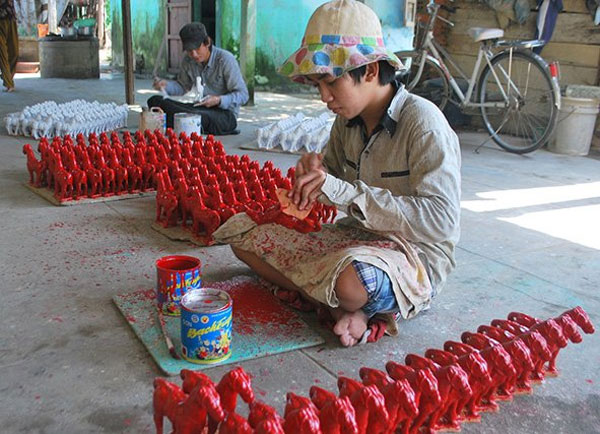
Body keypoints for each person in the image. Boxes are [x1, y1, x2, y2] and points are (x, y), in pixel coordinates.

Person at [213, 0, 461, 347]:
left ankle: (344, 300)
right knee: (245, 238)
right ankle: (339, 305)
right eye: (317, 85)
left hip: (413, 255)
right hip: (357, 239)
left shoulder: (423, 123)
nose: (324, 97)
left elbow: (442, 222)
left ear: (371, 71)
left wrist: (344, 191)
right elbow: (330, 173)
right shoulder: (346, 122)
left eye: (330, 82)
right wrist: (315, 174)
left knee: (350, 282)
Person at [148, 22, 248, 135]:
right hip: (201, 108)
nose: (194, 54)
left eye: (197, 48)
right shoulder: (188, 60)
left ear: (207, 43)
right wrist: (166, 85)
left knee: (194, 116)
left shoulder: (225, 60)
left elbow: (243, 95)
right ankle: (184, 121)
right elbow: (182, 86)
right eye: (189, 51)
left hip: (225, 114)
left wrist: (218, 100)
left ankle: (182, 121)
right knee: (155, 101)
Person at [0, 0, 18, 92]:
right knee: (2, 53)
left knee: (14, 52)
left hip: (10, 17)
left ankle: (8, 77)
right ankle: (8, 83)